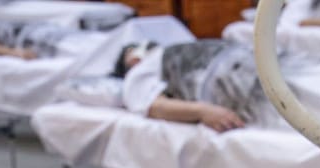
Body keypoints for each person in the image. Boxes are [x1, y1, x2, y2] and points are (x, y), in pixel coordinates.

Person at [113, 39, 276, 133]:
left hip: (257, 56)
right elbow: (153, 105)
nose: (142, 48)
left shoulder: (173, 47)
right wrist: (203, 111)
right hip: (236, 82)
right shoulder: (136, 74)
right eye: (131, 51)